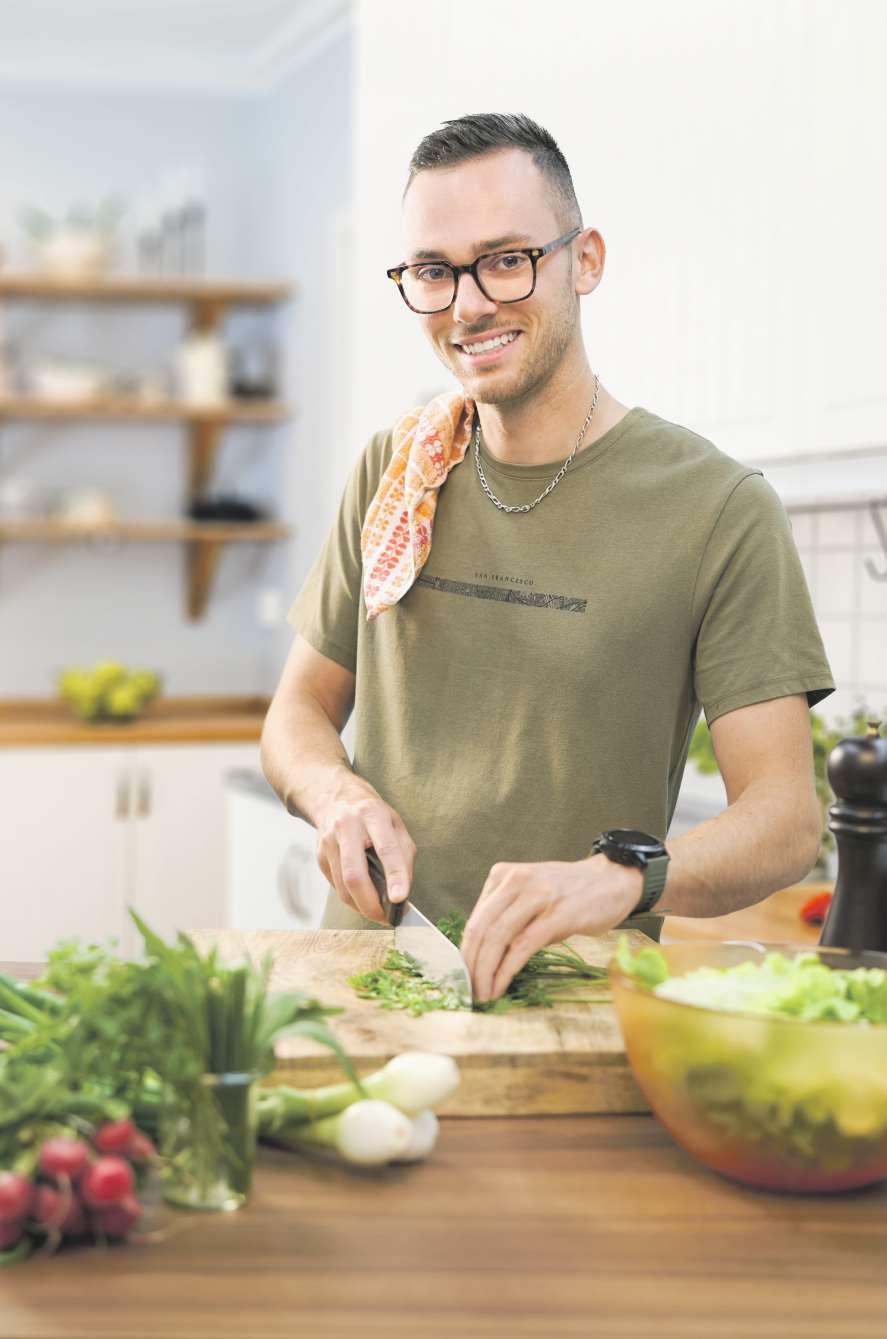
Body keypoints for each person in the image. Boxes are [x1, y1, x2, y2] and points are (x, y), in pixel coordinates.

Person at [261, 113, 834, 1003]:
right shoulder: (393, 470)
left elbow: (785, 818)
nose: (467, 306)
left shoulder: (716, 508)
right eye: (433, 271)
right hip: (366, 984)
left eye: (505, 259)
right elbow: (295, 713)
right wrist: (334, 796)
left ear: (584, 260)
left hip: (573, 1002)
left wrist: (619, 878)